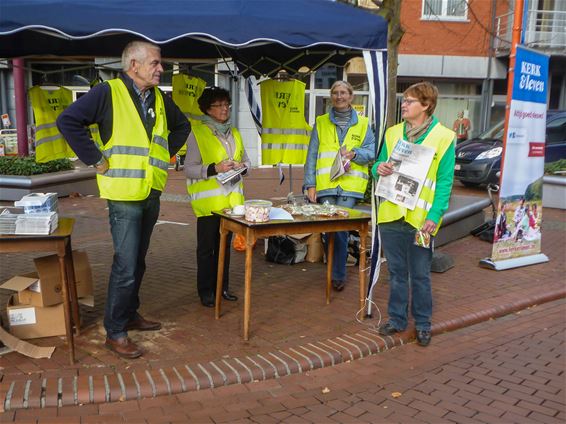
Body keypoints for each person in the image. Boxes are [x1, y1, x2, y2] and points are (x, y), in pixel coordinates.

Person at [57, 41, 190, 359]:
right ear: (134, 65)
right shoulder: (108, 92)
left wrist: (165, 154)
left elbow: (183, 126)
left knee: (137, 261)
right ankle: (114, 332)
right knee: (126, 264)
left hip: (150, 190)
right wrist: (95, 159)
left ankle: (129, 314)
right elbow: (68, 121)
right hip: (123, 195)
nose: (161, 68)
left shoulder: (159, 97)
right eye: (156, 63)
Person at [372, 82, 455, 347]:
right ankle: (397, 320)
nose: (404, 105)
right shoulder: (393, 133)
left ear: (426, 105)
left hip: (421, 221)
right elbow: (377, 166)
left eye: (409, 101)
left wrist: (435, 215)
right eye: (404, 100)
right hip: (391, 215)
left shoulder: (444, 137)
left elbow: (444, 183)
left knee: (419, 274)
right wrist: (379, 168)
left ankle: (423, 324)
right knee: (396, 273)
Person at [303, 80, 375, 292]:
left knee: (341, 228)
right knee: (328, 229)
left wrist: (355, 154)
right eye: (335, 93)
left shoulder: (363, 124)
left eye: (343, 92)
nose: (339, 96)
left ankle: (337, 274)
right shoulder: (322, 122)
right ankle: (334, 265)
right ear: (331, 97)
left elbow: (371, 153)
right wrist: (310, 184)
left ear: (351, 96)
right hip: (326, 185)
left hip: (350, 186)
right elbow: (312, 155)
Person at [185, 87, 251, 307]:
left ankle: (222, 287)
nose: (225, 109)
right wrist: (216, 167)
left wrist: (242, 166)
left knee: (224, 247)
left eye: (227, 104)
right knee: (207, 249)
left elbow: (248, 163)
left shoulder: (235, 133)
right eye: (219, 105)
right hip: (209, 203)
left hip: (232, 203)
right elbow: (189, 169)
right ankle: (206, 291)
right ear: (207, 109)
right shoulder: (197, 133)